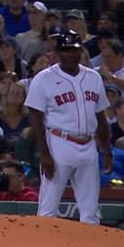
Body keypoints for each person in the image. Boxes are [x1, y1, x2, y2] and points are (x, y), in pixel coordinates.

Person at [25, 30, 111, 225]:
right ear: (57, 52)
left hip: (88, 145)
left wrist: (107, 150)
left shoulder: (93, 77)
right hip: (59, 142)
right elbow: (36, 117)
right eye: (66, 50)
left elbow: (101, 117)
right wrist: (44, 153)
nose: (71, 54)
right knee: (48, 208)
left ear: (81, 51)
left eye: (74, 49)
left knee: (90, 211)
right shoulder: (43, 78)